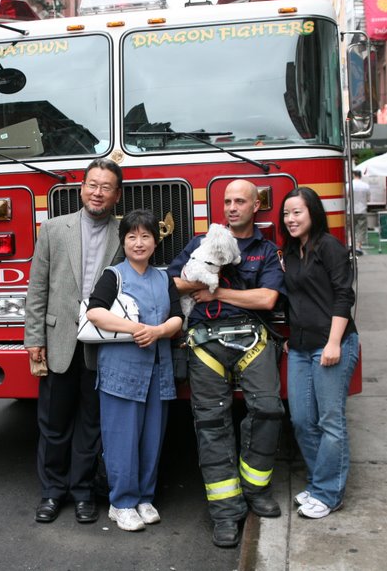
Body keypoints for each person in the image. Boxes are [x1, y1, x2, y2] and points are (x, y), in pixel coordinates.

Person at [167, 179, 284, 548]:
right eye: (228, 202)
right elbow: (173, 282)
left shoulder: (265, 251)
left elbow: (267, 299)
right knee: (211, 423)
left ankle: (255, 489)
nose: (232, 207)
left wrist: (215, 289)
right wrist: (198, 279)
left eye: (240, 202)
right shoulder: (201, 245)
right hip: (205, 342)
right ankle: (225, 512)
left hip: (251, 337)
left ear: (255, 206)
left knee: (268, 409)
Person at [23, 158, 124, 525]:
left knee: (91, 423)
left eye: (106, 187)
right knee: (53, 422)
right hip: (58, 339)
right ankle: (52, 492)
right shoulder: (52, 229)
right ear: (82, 188)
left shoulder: (123, 233)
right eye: (92, 185)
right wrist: (34, 338)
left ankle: (83, 492)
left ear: (116, 195)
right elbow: (37, 289)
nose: (98, 193)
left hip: (101, 343)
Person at [85, 209, 184, 532]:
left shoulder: (164, 277)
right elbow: (95, 313)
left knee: (151, 438)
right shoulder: (113, 275)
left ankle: (144, 497)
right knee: (121, 440)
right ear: (123, 242)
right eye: (131, 237)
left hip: (158, 371)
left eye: (145, 236)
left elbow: (177, 318)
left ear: (156, 242)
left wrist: (157, 332)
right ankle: (121, 503)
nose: (138, 243)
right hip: (120, 372)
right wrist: (135, 328)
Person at [279, 186, 360, 520]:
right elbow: (297, 299)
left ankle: (330, 494)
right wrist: (291, 336)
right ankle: (318, 484)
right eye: (286, 213)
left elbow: (344, 296)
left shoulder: (329, 247)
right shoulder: (291, 252)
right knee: (301, 420)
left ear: (313, 211)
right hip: (299, 347)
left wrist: (333, 342)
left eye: (297, 212)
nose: (290, 218)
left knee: (331, 421)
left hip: (332, 344)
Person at [351, 171, 370, 255]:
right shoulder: (366, 186)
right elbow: (368, 199)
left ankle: (351, 244)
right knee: (361, 229)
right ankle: (358, 246)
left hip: (350, 210)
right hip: (362, 209)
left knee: (350, 228)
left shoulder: (349, 185)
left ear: (354, 175)